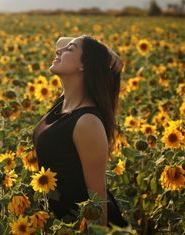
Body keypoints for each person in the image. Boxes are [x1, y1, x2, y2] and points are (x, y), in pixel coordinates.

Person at [32, 35, 128, 228]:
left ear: (83, 65)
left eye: (69, 50)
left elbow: (97, 197)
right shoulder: (65, 103)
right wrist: (104, 53)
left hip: (86, 226)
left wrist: (97, 232)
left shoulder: (87, 122)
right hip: (64, 223)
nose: (58, 51)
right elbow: (61, 41)